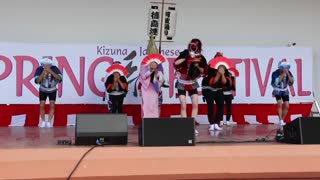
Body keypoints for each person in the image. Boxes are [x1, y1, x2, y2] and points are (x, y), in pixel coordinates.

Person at [174, 39, 207, 133]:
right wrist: (187, 58)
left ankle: (192, 126)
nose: (193, 47)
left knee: (195, 104)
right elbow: (175, 63)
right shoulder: (184, 53)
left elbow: (204, 71)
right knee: (183, 105)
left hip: (192, 83)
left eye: (195, 45)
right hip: (181, 82)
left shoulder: (201, 57)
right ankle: (185, 126)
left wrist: (196, 65)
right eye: (192, 45)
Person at [34, 57, 62, 128]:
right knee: (42, 105)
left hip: (52, 89)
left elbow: (60, 78)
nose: (46, 65)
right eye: (45, 64)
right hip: (43, 89)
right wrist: (43, 72)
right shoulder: (39, 69)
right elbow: (37, 81)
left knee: (52, 105)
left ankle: (49, 122)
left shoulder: (54, 68)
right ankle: (43, 121)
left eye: (48, 64)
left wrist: (50, 71)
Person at [202, 65, 226, 131]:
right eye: (220, 67)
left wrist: (222, 74)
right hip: (208, 89)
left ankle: (216, 123)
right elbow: (213, 83)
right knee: (211, 106)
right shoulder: (210, 69)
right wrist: (218, 74)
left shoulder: (224, 70)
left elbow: (224, 82)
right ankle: (211, 124)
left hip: (218, 90)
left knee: (221, 105)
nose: (221, 68)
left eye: (222, 67)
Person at [271, 60, 294, 126]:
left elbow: (291, 82)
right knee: (279, 103)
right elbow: (276, 82)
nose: (284, 68)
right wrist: (283, 74)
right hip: (277, 90)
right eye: (283, 67)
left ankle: (282, 120)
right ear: (279, 67)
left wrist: (288, 74)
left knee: (287, 106)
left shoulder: (288, 72)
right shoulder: (275, 73)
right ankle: (281, 120)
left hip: (285, 90)